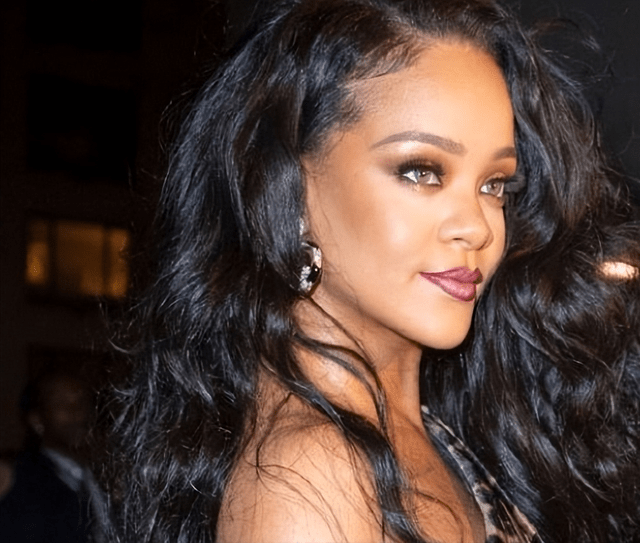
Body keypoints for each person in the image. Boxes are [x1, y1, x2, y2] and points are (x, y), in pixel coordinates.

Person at [99, 0, 640, 542]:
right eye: (421, 171)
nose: (477, 227)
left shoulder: (427, 430)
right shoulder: (308, 480)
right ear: (288, 190)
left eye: (493, 185)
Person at [0, 371, 102, 543]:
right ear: (37, 420)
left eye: (84, 402)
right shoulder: (16, 474)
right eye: (62, 404)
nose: (79, 412)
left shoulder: (104, 475)